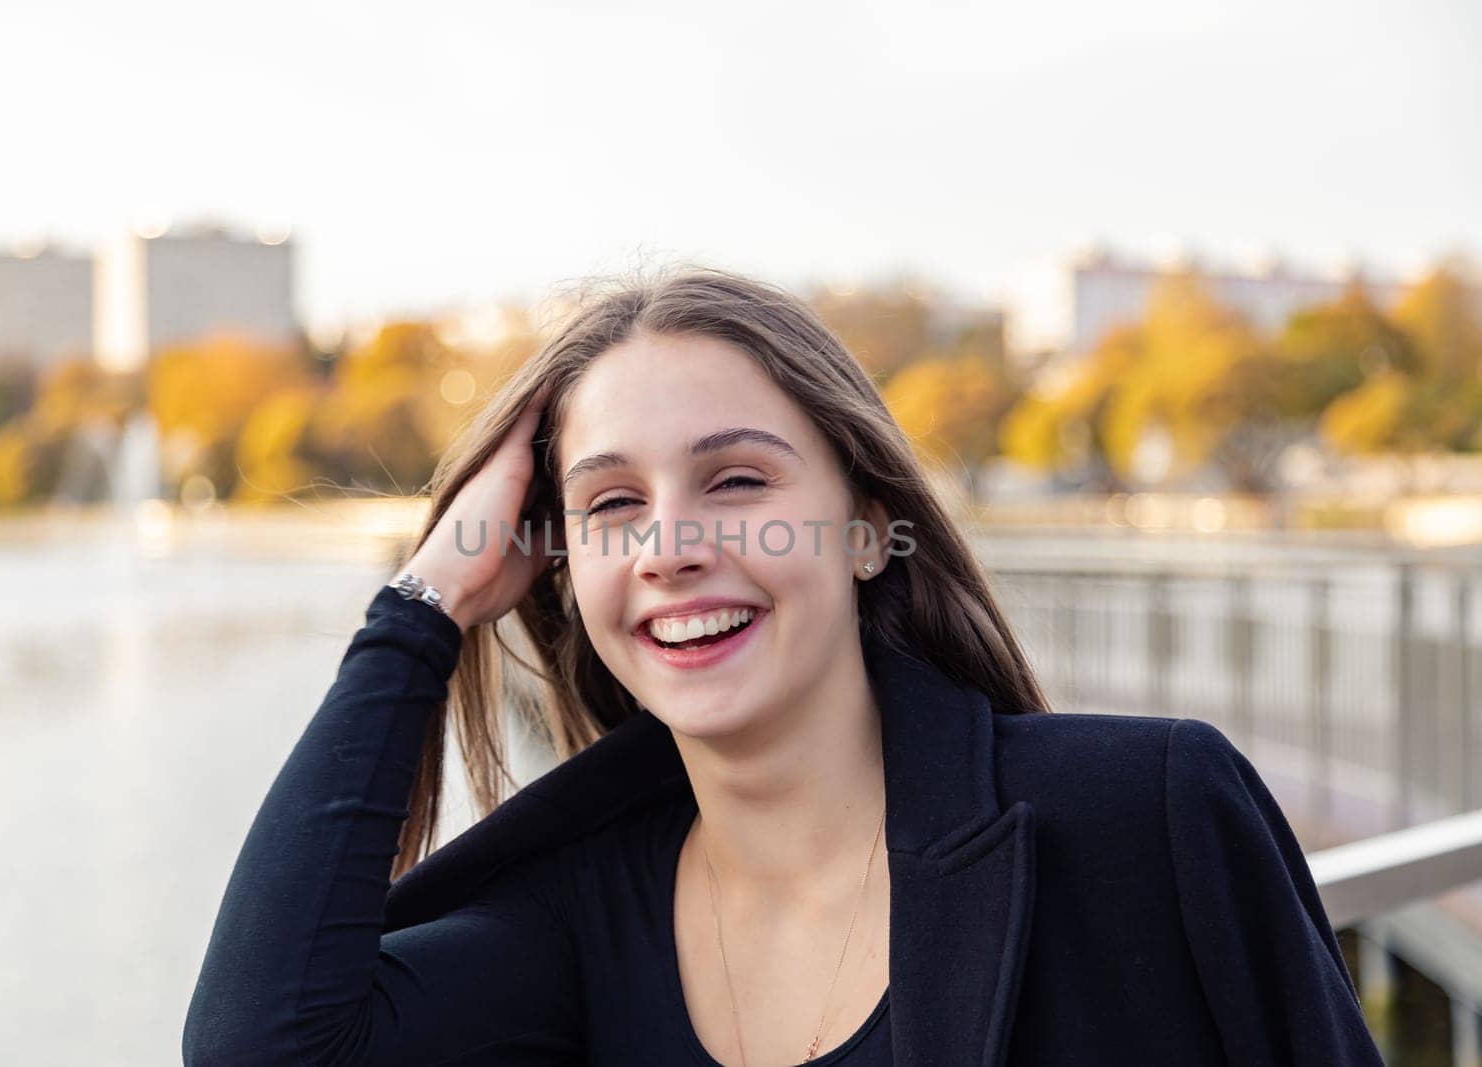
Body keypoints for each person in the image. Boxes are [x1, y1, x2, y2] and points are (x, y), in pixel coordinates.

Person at [182, 268, 1384, 1066]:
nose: (670, 548)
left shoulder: (1145, 812)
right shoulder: (573, 925)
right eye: (610, 504)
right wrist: (421, 604)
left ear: (866, 526)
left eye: (738, 480)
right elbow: (258, 1047)